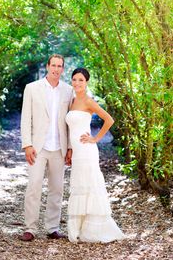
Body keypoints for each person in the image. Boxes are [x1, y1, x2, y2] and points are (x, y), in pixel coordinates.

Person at [66, 67, 125, 243]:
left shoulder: (89, 101)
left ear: (86, 82)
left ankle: (93, 229)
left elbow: (109, 119)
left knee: (90, 185)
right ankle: (78, 228)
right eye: (74, 79)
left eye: (81, 80)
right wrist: (70, 148)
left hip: (87, 150)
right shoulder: (72, 101)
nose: (77, 83)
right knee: (79, 185)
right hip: (76, 151)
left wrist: (95, 139)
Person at [19, 54, 73, 241]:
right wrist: (27, 145)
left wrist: (70, 148)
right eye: (54, 65)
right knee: (34, 186)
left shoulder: (68, 91)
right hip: (38, 147)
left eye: (60, 66)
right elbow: (26, 118)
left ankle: (52, 228)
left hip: (59, 147)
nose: (56, 69)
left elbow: (69, 122)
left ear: (63, 69)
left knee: (56, 189)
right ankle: (30, 228)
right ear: (47, 66)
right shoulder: (32, 88)